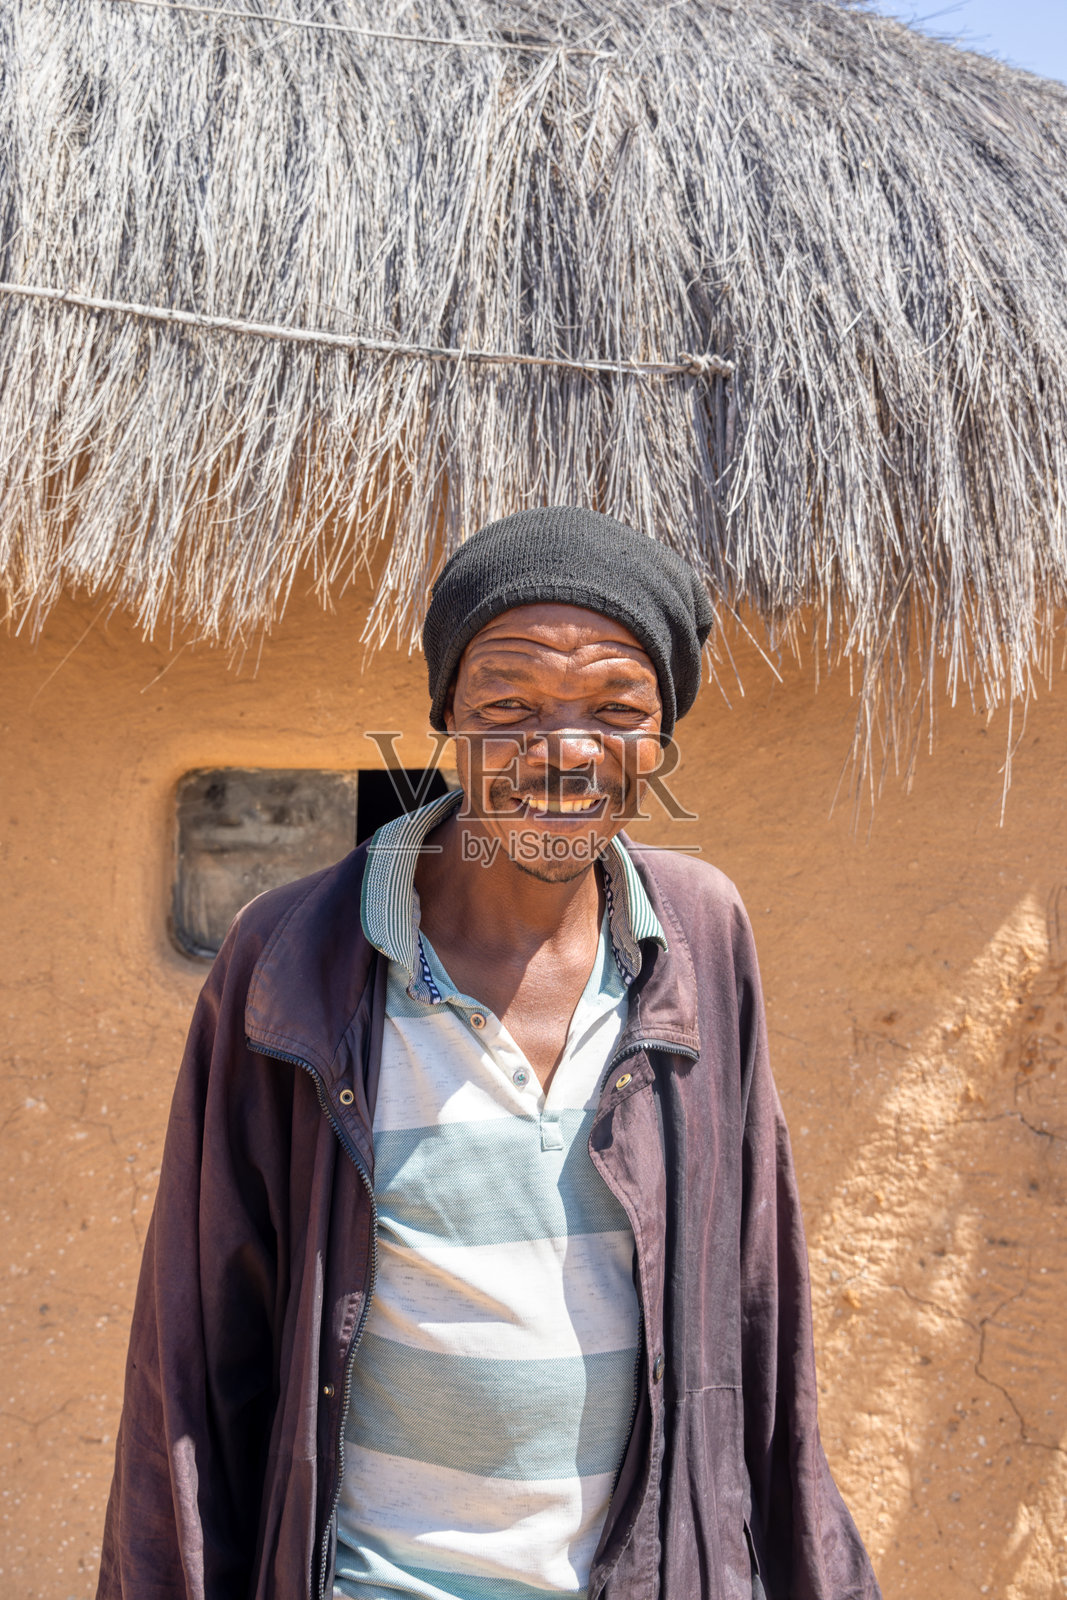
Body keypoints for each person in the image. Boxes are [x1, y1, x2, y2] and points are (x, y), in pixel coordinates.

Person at [97, 506, 881, 1600]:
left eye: (615, 709)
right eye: (509, 704)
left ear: (658, 742)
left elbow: (756, 1309)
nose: (562, 752)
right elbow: (197, 1353)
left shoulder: (699, 935)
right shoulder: (298, 957)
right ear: (447, 721)